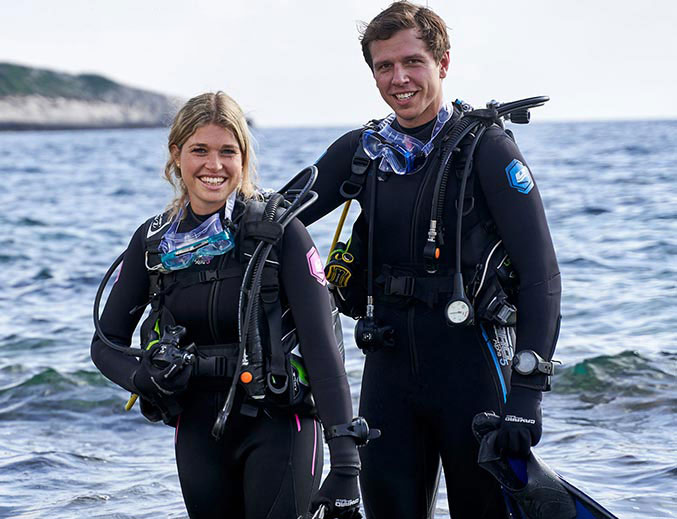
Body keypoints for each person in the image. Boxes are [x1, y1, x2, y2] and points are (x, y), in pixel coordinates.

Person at [291, 2, 562, 518]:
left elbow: (541, 276)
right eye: (384, 67)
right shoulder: (363, 151)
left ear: (443, 63)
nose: (399, 79)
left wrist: (528, 392)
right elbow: (276, 219)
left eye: (412, 62)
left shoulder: (488, 149)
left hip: (475, 372)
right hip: (388, 372)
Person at [91, 92, 367, 519]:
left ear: (244, 157)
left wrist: (346, 463)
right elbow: (105, 343)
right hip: (198, 432)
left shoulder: (280, 233)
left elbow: (322, 349)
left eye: (228, 152)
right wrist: (143, 375)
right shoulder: (153, 243)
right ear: (176, 155)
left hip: (280, 424)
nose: (214, 166)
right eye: (199, 150)